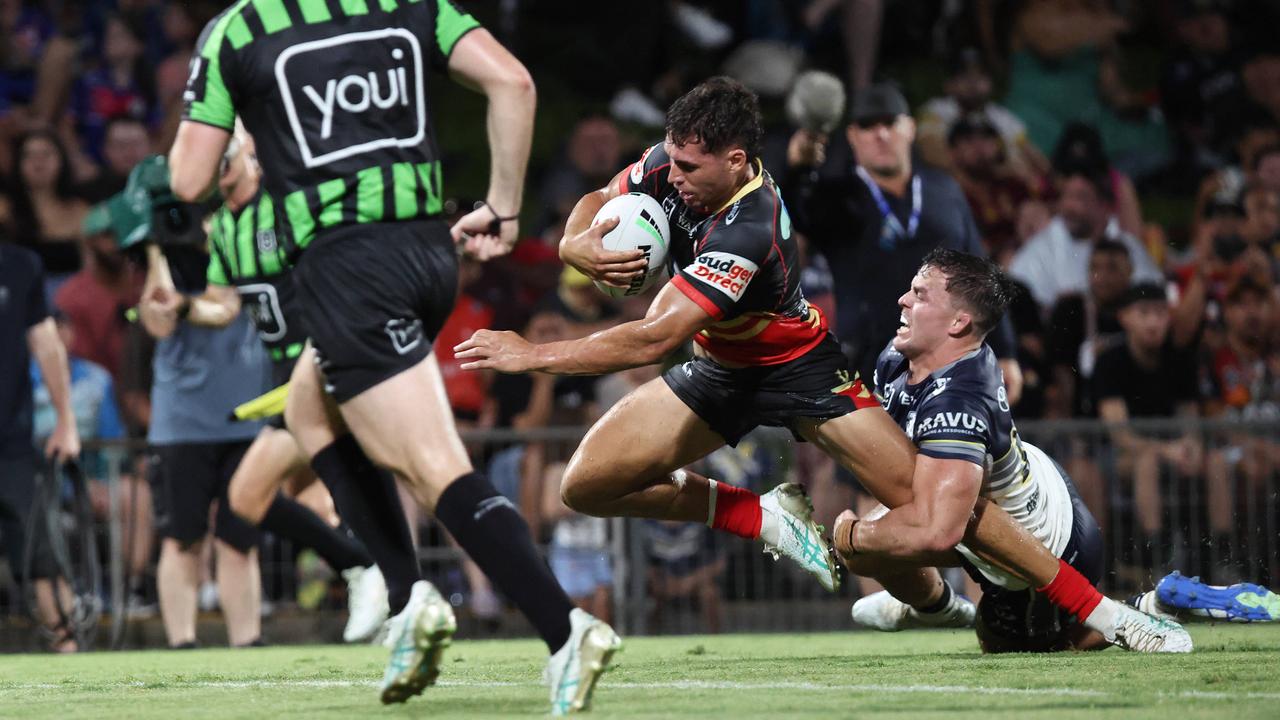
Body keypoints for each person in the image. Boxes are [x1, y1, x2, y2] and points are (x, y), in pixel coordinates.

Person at [457, 77, 1178, 652]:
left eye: (686, 168)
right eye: (668, 160)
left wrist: (532, 355)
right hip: (719, 367)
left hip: (802, 369)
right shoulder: (667, 162)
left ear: (736, 162)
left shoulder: (750, 226)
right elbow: (595, 200)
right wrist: (572, 245)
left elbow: (651, 339)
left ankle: (1099, 611)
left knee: (936, 511)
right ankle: (767, 516)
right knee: (588, 483)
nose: (667, 177)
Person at [168, 2, 617, 712]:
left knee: (434, 467)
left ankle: (566, 631)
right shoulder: (409, 6)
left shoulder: (240, 30)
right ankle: (408, 601)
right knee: (309, 410)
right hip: (427, 251)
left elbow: (189, 180)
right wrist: (502, 206)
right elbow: (514, 84)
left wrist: (203, 98)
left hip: (348, 266)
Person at [839, 248, 1191, 653]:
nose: (903, 300)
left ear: (958, 322)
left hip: (1049, 546)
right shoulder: (901, 357)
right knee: (868, 550)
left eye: (920, 295)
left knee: (1013, 642)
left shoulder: (960, 399)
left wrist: (853, 533)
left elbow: (940, 531)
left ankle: (1147, 605)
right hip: (998, 502)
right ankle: (935, 606)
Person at [162, 132, 391, 643]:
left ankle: (365, 570)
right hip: (288, 376)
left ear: (251, 151)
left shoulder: (289, 205)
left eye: (227, 148)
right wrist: (180, 306)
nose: (217, 160)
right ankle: (392, 583)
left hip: (323, 364)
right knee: (261, 501)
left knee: (247, 497)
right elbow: (223, 305)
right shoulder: (222, 226)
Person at [0, 242, 81, 652]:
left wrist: (66, 421)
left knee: (43, 555)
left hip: (11, 442)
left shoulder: (19, 264)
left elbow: (47, 343)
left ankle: (70, 653)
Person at [1092, 283, 1202, 571]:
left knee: (1214, 461)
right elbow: (1120, 435)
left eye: (1160, 313)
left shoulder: (1179, 359)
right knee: (1147, 462)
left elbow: (1189, 419)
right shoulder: (1109, 361)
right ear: (1125, 317)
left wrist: (1192, 446)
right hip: (1120, 457)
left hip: (1173, 453)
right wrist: (1167, 450)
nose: (1154, 321)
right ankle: (1159, 559)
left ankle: (1222, 558)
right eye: (1144, 313)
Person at [1009, 165, 1163, 312]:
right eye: (1066, 196)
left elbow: (1154, 295)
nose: (1070, 206)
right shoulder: (1041, 247)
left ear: (1104, 206)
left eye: (1081, 197)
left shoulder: (1128, 245)